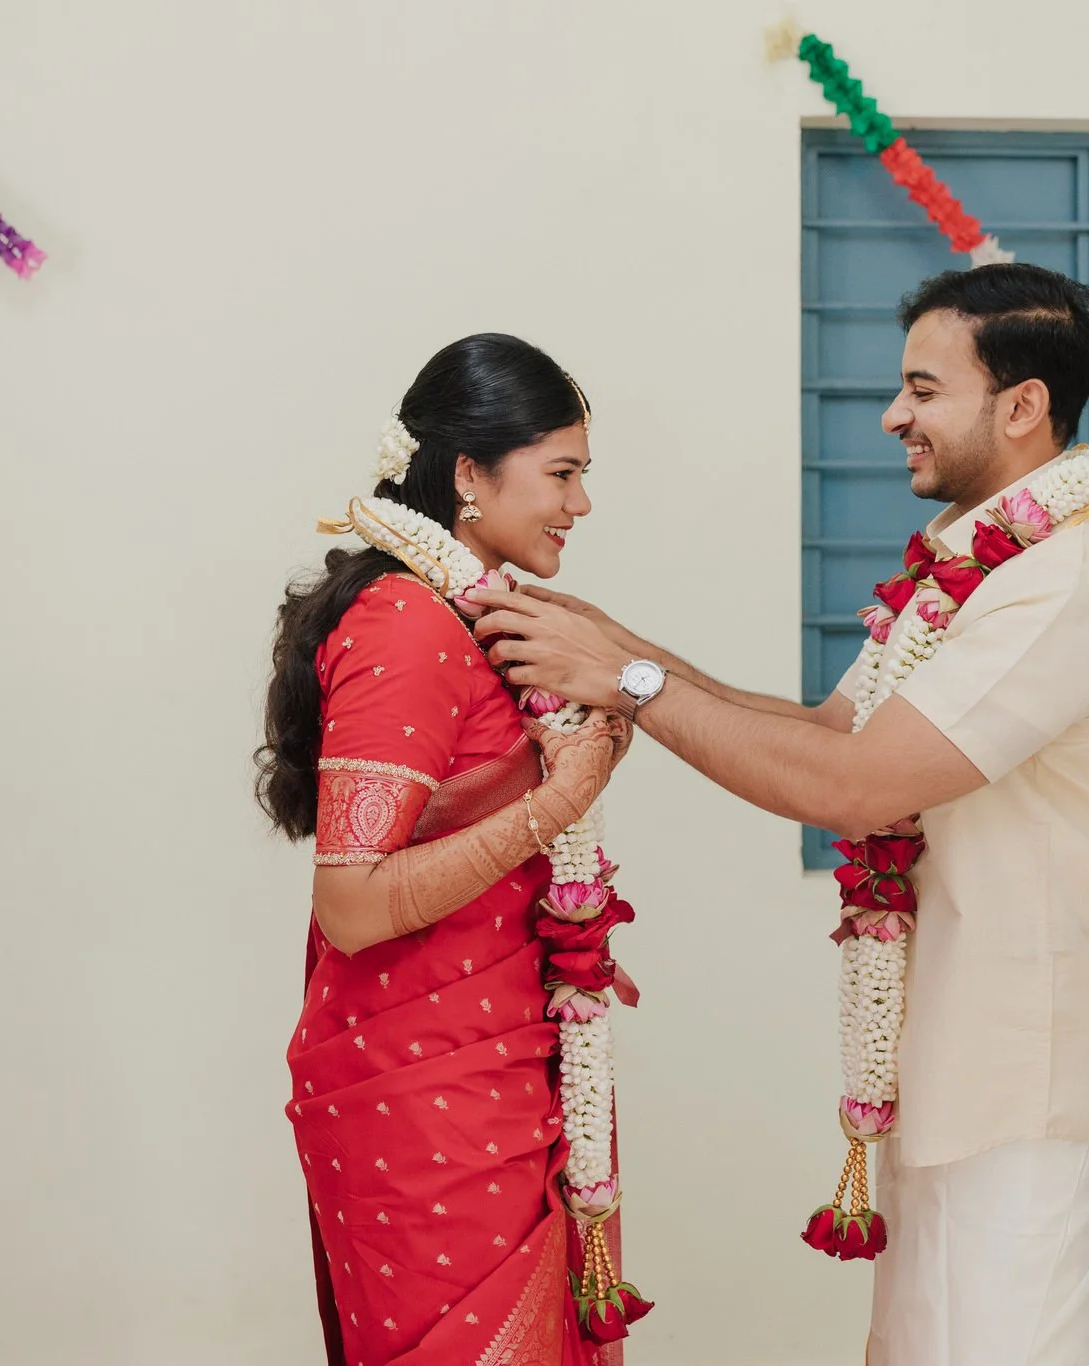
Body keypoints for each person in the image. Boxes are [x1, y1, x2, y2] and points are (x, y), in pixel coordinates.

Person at [470, 263, 1089, 1366]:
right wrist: (622, 647)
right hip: (950, 1070)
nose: (893, 414)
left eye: (921, 387)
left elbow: (851, 788)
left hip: (1029, 1091)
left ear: (1022, 405)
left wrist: (625, 682)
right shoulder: (966, 576)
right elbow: (831, 730)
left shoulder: (1061, 583)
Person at [255, 333, 637, 1366]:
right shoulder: (408, 626)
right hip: (420, 1102)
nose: (579, 504)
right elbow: (354, 902)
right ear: (468, 473)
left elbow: (628, 690)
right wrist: (553, 806)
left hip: (490, 1070)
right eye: (561, 473)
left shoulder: (483, 615)